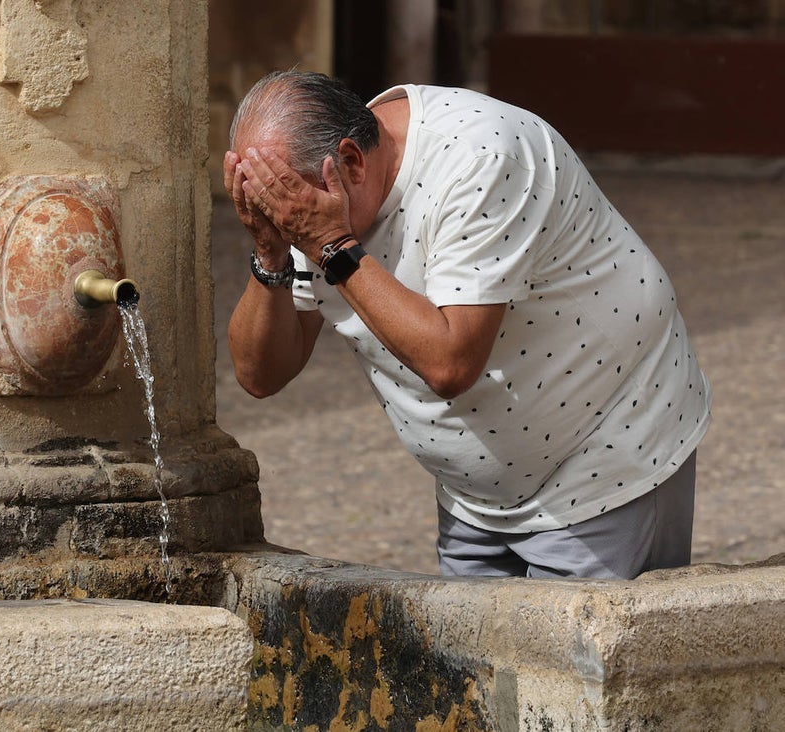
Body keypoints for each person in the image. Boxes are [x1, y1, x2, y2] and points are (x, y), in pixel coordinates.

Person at [223, 70, 711, 579]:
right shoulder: (303, 200)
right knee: (481, 659)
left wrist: (332, 246)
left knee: (580, 656)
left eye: (287, 211)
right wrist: (271, 251)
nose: (285, 219)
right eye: (267, 205)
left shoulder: (481, 158)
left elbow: (450, 361)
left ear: (350, 161)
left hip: (604, 463)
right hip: (472, 501)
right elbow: (261, 375)